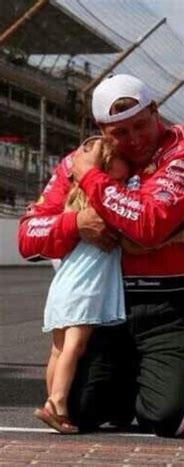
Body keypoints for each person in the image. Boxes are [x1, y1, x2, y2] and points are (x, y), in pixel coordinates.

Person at [18, 73, 184, 436]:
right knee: (78, 414)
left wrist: (92, 179)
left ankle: (146, 389)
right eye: (120, 132)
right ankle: (123, 389)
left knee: (170, 421)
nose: (135, 139)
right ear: (101, 128)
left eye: (141, 125)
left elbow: (147, 224)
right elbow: (28, 236)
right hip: (101, 309)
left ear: (156, 110)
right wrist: (77, 224)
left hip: (170, 306)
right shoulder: (78, 161)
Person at [33, 139, 129, 434]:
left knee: (58, 349)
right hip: (86, 287)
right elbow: (132, 243)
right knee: (75, 345)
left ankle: (54, 403)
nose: (121, 186)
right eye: (117, 179)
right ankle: (58, 403)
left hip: (64, 284)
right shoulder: (104, 211)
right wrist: (170, 239)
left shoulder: (75, 205)